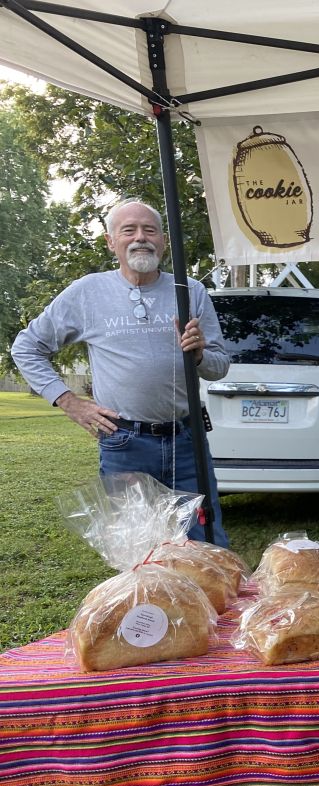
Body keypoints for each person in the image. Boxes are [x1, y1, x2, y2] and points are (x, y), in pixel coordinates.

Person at [12, 199, 231, 546]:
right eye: (129, 230)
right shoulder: (88, 292)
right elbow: (26, 347)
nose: (140, 238)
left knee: (205, 543)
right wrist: (69, 401)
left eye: (150, 230)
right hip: (125, 442)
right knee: (135, 551)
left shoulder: (190, 291)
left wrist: (201, 353)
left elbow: (219, 367)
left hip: (187, 441)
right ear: (111, 241)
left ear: (163, 240)